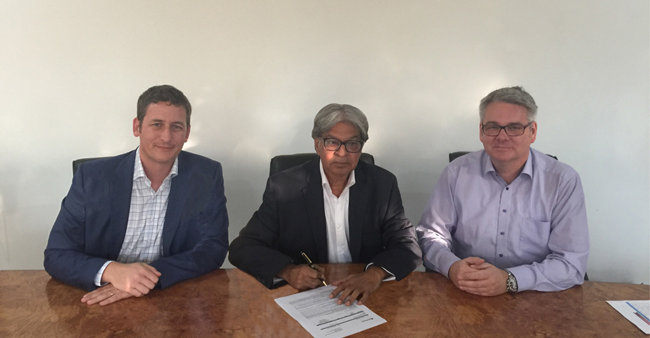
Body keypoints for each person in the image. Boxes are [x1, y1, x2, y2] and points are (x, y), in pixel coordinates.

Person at [44, 85, 229, 306]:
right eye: (157, 124)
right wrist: (112, 271)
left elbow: (212, 248)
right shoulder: (93, 177)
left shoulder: (205, 175)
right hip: (101, 297)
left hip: (170, 295)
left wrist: (145, 278)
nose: (166, 136)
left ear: (187, 133)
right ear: (137, 127)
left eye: (176, 127)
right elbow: (57, 254)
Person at [229, 103, 421, 305]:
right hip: (305, 296)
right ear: (317, 144)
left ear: (361, 147)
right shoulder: (284, 187)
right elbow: (243, 247)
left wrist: (375, 274)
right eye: (332, 142)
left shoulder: (382, 184)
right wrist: (288, 271)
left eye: (352, 143)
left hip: (365, 295)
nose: (342, 153)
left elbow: (408, 246)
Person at [417, 86, 589, 296]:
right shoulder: (456, 173)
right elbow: (431, 235)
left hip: (535, 296)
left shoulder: (562, 181)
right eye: (493, 127)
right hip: (466, 292)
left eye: (514, 127)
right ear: (481, 132)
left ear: (532, 132)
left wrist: (510, 279)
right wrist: (452, 267)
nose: (502, 136)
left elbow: (571, 262)